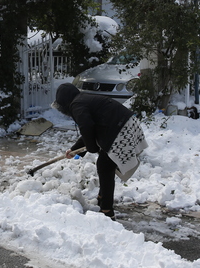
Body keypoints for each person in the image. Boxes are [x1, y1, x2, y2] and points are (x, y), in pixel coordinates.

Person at [51, 83, 147, 218]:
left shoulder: (76, 105)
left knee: (104, 166)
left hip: (121, 129)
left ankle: (107, 211)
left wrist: (91, 147)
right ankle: (102, 198)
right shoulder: (83, 99)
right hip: (128, 124)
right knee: (105, 163)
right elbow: (89, 129)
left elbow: (87, 126)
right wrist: (74, 150)